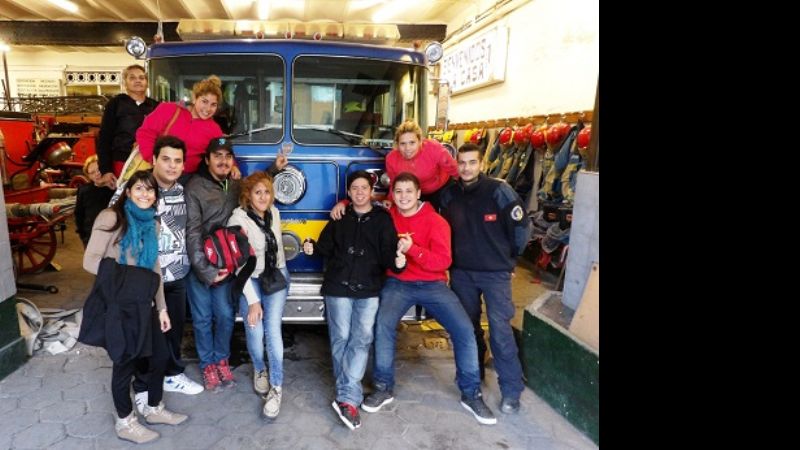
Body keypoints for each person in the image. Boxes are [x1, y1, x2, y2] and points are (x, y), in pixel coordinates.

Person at [362, 172, 497, 425]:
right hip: (397, 283)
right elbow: (361, 203)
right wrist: (342, 204)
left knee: (464, 330)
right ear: (392, 195)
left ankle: (471, 393)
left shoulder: (436, 222)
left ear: (418, 194)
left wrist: (412, 250)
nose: (403, 197)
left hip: (433, 284)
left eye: (408, 192)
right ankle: (382, 387)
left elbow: (443, 261)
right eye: (398, 192)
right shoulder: (387, 217)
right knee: (383, 327)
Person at [82, 170, 187, 444]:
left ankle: (153, 409)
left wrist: (161, 308)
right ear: (128, 192)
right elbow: (90, 260)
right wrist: (124, 280)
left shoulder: (152, 223)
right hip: (120, 303)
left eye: (150, 190)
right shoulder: (112, 218)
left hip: (145, 301)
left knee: (160, 356)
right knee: (124, 363)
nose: (145, 194)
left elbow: (154, 268)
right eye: (139, 189)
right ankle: (125, 422)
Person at [302, 170, 406, 430]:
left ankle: (345, 396)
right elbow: (324, 247)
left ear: (371, 191)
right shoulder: (340, 217)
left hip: (369, 288)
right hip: (338, 287)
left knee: (362, 339)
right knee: (341, 339)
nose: (359, 192)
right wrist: (309, 245)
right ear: (348, 193)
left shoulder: (383, 220)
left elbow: (388, 256)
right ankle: (349, 397)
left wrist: (399, 262)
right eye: (354, 188)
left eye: (364, 188)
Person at [185, 137, 287, 392]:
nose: (222, 161)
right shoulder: (194, 187)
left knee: (225, 316)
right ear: (207, 159)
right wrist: (207, 271)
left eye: (227, 156)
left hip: (228, 263)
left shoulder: (234, 184)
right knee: (202, 318)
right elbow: (193, 232)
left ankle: (221, 360)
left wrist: (274, 169)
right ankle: (208, 364)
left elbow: (257, 188)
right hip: (202, 266)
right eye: (216, 156)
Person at [440, 143, 532, 415]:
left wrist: (510, 260)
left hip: (495, 275)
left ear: (482, 164)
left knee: (501, 333)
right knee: (467, 331)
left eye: (472, 162)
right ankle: (473, 377)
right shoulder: (449, 195)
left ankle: (511, 391)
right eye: (462, 162)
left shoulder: (498, 190)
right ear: (456, 165)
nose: (466, 167)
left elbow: (521, 227)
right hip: (462, 274)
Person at [128, 136, 203, 417]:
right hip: (145, 279)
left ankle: (171, 374)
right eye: (166, 159)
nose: (172, 166)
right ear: (154, 160)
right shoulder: (140, 189)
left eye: (177, 160)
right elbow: (116, 222)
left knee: (172, 332)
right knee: (144, 337)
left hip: (177, 274)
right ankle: (143, 388)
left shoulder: (185, 191)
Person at [227, 171, 289, 419]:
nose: (263, 197)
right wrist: (253, 302)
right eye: (257, 192)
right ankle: (260, 369)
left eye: (267, 191)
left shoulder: (274, 212)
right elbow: (238, 265)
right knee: (254, 328)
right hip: (249, 279)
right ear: (247, 196)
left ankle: (276, 386)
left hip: (275, 276)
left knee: (272, 329)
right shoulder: (237, 220)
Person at [330, 120, 457, 219]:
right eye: (403, 144)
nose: (407, 148)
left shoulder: (433, 149)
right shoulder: (392, 158)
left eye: (412, 143)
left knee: (446, 216)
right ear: (397, 144)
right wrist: (390, 200)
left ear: (420, 141)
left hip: (440, 188)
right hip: (415, 193)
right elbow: (394, 183)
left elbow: (455, 170)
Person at [136, 75, 239, 179]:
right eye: (204, 101)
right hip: (159, 171)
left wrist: (233, 166)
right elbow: (145, 133)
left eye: (213, 104)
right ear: (194, 99)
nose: (208, 109)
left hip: (187, 179)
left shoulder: (214, 129)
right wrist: (153, 160)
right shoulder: (168, 109)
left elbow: (223, 145)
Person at [96, 64, 159, 189]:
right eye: (132, 78)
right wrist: (106, 170)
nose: (138, 80)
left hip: (149, 163)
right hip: (121, 163)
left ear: (147, 82)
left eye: (142, 77)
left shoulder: (155, 106)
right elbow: (104, 138)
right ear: (125, 82)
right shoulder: (116, 104)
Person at [75, 155, 114, 248]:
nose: (96, 174)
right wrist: (83, 237)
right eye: (92, 173)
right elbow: (79, 214)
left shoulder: (114, 189)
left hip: (112, 237)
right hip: (91, 237)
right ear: (88, 176)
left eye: (98, 169)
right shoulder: (84, 190)